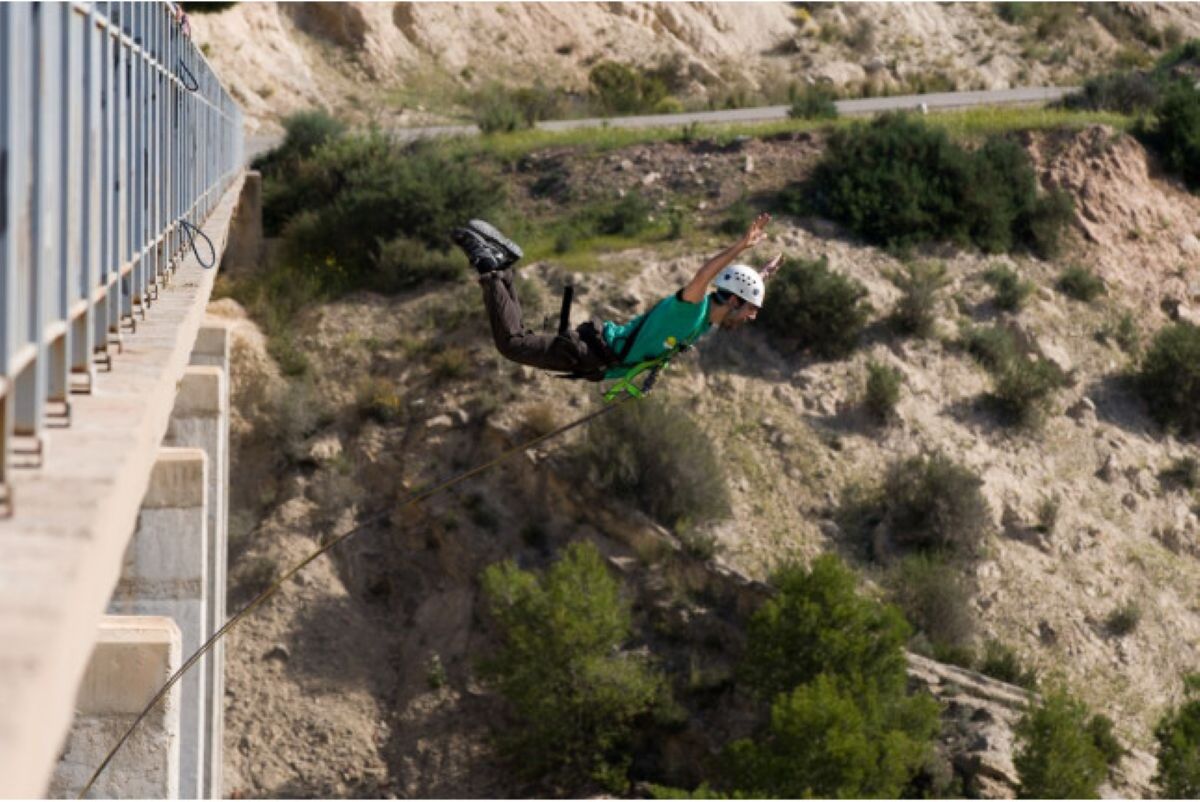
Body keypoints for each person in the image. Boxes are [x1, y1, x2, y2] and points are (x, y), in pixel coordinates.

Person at [451, 214, 781, 381]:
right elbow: (704, 276)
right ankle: (490, 266)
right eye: (751, 308)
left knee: (517, 339)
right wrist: (740, 247)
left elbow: (735, 287)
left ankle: (502, 267)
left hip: (594, 354)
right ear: (734, 300)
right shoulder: (692, 310)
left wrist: (761, 275)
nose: (752, 317)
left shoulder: (707, 321)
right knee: (511, 344)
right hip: (590, 353)